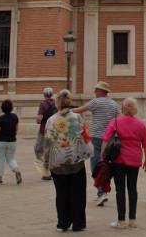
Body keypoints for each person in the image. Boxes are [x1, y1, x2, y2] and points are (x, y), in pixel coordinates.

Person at [44, 89, 93, 233]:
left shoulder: (51, 120)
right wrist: (88, 152)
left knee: (61, 193)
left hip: (57, 162)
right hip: (76, 161)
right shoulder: (77, 118)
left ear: (57, 103)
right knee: (78, 193)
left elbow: (47, 143)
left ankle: (63, 223)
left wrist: (47, 161)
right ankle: (78, 223)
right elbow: (85, 136)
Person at [102, 98, 146, 229]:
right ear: (135, 108)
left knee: (120, 190)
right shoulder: (141, 124)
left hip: (118, 160)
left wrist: (103, 156)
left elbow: (106, 139)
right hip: (134, 160)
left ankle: (121, 220)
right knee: (132, 189)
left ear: (123, 108)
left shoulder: (116, 122)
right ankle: (133, 219)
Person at [73, 81, 121, 207]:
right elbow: (119, 120)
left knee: (95, 166)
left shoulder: (96, 101)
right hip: (110, 140)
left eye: (96, 90)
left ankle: (101, 192)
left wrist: (65, 110)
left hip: (96, 138)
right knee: (106, 165)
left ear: (100, 91)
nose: (94, 92)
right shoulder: (114, 104)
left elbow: (80, 110)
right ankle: (103, 190)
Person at [0, 99, 22, 185]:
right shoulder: (15, 117)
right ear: (11, 108)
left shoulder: (0, 119)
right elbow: (16, 129)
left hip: (0, 142)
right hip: (12, 141)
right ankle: (16, 169)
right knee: (11, 158)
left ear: (2, 108)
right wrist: (13, 136)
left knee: (0, 159)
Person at [35, 86, 58, 181]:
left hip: (44, 130)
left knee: (38, 149)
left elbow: (39, 118)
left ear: (44, 95)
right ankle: (50, 169)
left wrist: (37, 120)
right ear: (52, 94)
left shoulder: (43, 104)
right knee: (50, 151)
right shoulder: (56, 103)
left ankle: (45, 171)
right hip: (54, 131)